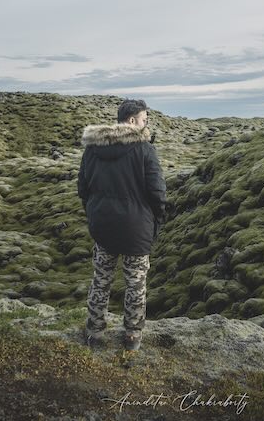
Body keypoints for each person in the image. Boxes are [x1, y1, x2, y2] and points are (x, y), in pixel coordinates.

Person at [77, 99, 166, 351]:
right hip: (136, 228)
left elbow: (83, 187)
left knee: (101, 279)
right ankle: (132, 336)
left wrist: (94, 212)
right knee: (135, 283)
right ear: (131, 121)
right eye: (144, 119)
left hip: (102, 226)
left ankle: (94, 332)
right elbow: (158, 192)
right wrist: (154, 219)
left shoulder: (93, 149)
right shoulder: (145, 150)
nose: (146, 123)